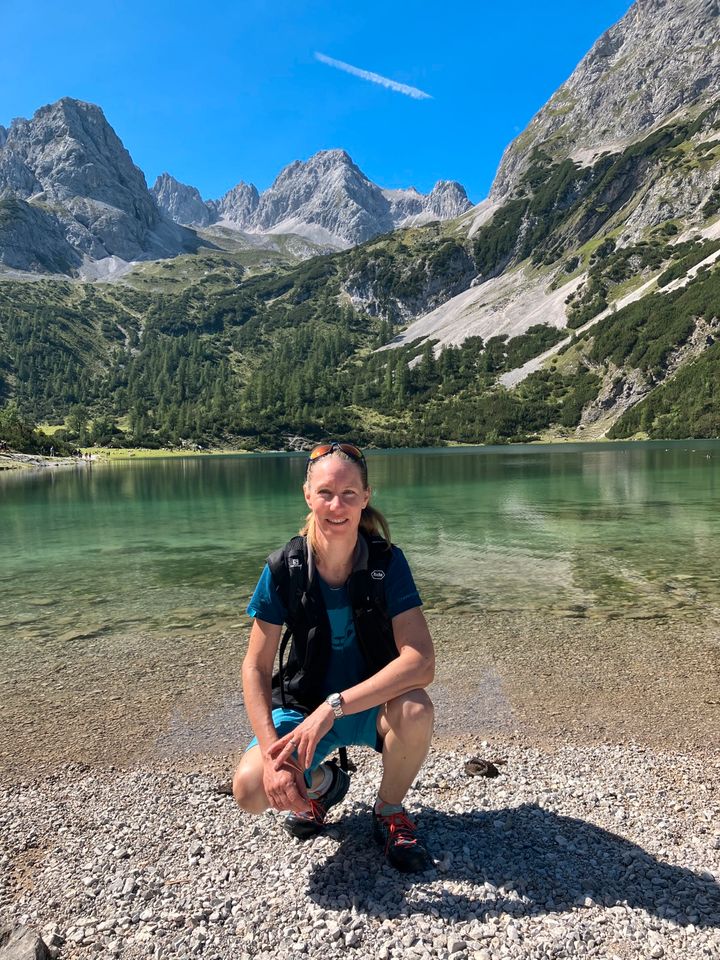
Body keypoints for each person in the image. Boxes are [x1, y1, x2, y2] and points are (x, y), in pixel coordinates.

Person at [232, 441, 435, 872]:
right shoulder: (283, 568)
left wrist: (334, 707)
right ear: (308, 495)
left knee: (416, 708)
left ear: (366, 497)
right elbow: (255, 667)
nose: (336, 505)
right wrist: (272, 757)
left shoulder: (386, 563)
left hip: (365, 708)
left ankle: (388, 809)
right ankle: (325, 786)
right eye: (325, 493)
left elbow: (420, 661)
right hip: (301, 709)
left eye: (348, 494)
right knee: (250, 789)